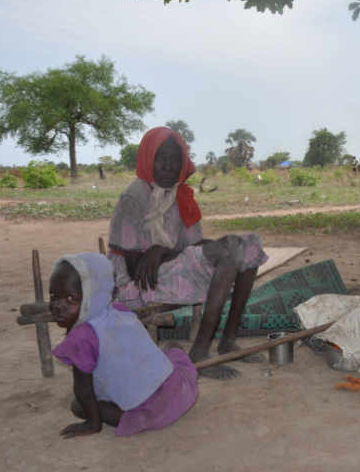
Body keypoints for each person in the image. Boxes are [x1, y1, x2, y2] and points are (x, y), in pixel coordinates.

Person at [107, 127, 269, 380]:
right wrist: (163, 255)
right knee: (231, 248)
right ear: (148, 158)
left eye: (175, 158)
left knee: (250, 244)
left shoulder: (181, 194)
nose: (168, 165)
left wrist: (160, 251)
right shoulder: (135, 195)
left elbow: (195, 246)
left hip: (168, 267)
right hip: (136, 283)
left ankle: (228, 341)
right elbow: (133, 269)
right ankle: (200, 353)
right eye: (160, 157)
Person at [49, 253, 198, 438]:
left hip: (151, 412)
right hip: (174, 390)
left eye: (71, 299)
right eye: (54, 296)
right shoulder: (119, 310)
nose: (58, 306)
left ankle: (123, 417)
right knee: (173, 350)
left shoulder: (80, 339)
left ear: (94, 296)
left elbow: (84, 389)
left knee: (78, 405)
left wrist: (92, 423)